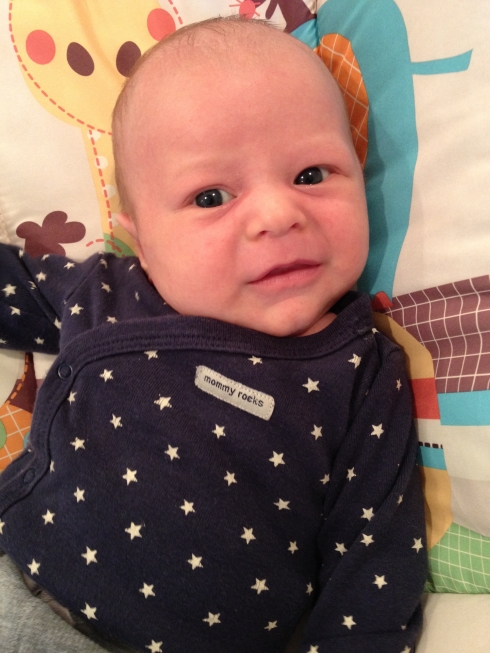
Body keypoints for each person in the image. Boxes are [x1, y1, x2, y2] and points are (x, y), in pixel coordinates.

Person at [0, 16, 427, 653]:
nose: (278, 215)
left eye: (311, 175)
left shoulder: (363, 371)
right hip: (19, 582)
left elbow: (375, 565)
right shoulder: (108, 291)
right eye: (210, 197)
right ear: (143, 241)